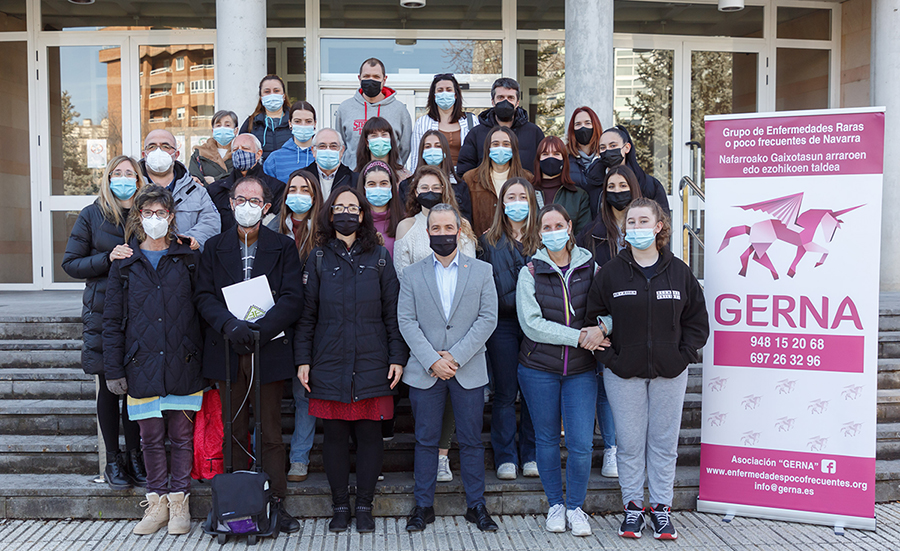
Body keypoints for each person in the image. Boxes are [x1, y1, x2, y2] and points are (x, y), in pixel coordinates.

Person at [585, 197, 709, 541]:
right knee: (629, 442)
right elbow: (593, 321)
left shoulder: (679, 271)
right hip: (624, 372)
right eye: (631, 222)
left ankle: (661, 508)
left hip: (671, 371)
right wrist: (611, 359)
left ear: (658, 227)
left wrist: (682, 355)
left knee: (664, 441)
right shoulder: (610, 272)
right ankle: (632, 508)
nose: (636, 228)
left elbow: (697, 322)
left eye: (643, 221)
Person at [193, 176, 305, 534]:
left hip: (267, 347)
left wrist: (263, 328)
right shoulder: (213, 247)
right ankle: (235, 504)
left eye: (254, 200)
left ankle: (274, 504)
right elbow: (203, 296)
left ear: (266, 207)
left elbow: (292, 297)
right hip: (226, 348)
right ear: (230, 203)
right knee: (234, 429)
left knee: (270, 429)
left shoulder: (283, 246)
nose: (246, 205)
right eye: (240, 199)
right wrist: (229, 325)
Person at [295, 186, 408, 533]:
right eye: (339, 207)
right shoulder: (317, 258)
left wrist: (397, 357)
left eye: (353, 207)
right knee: (334, 436)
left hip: (373, 358)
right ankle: (340, 504)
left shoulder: (379, 257)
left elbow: (394, 311)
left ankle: (364, 505)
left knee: (370, 434)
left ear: (362, 215)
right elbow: (307, 314)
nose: (346, 213)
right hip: (328, 359)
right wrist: (303, 358)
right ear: (331, 215)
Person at [102, 185, 205, 536]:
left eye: (161, 213)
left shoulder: (187, 256)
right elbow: (112, 320)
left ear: (171, 216)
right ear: (139, 218)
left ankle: (179, 504)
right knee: (149, 437)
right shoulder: (125, 262)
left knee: (180, 434)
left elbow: (202, 308)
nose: (155, 219)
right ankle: (156, 502)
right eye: (148, 213)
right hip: (140, 361)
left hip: (183, 359)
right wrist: (114, 368)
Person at [398, 203, 499, 533]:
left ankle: (477, 506)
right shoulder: (412, 274)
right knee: (426, 440)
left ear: (459, 231)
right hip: (426, 370)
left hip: (466, 369)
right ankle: (423, 507)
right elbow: (406, 321)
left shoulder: (482, 271)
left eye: (448, 228)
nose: (442, 234)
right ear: (427, 233)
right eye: (436, 229)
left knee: (471, 441)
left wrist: (453, 357)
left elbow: (488, 318)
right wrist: (433, 360)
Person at [516, 204, 607, 537]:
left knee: (582, 443)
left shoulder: (591, 267)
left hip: (582, 371)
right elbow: (532, 325)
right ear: (539, 233)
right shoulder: (530, 271)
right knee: (547, 439)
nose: (553, 231)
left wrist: (603, 329)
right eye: (546, 227)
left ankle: (576, 508)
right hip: (539, 368)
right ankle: (555, 504)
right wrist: (580, 337)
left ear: (570, 226)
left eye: (559, 224)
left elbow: (607, 310)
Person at [62, 155, 148, 491]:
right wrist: (106, 258)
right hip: (102, 312)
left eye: (130, 173)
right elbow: (71, 263)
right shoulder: (92, 215)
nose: (124, 178)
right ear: (107, 178)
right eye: (118, 173)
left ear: (139, 179)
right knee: (109, 389)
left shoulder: (146, 214)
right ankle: (113, 460)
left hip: (141, 312)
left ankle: (136, 457)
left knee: (136, 392)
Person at [394, 166, 477, 481]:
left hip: (456, 325)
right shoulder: (405, 227)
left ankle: (443, 456)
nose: (429, 190)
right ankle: (428, 457)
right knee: (425, 395)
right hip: (417, 321)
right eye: (422, 185)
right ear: (414, 192)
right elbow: (402, 274)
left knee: (453, 388)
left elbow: (467, 275)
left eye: (435, 185)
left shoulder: (462, 225)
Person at [575, 165, 643, 480]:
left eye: (622, 184)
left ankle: (627, 448)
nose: (617, 190)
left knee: (632, 388)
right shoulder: (591, 233)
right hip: (602, 320)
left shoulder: (646, 229)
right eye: (611, 185)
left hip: (638, 318)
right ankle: (611, 449)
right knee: (604, 387)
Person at [477, 177, 540, 481]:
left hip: (538, 327)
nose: (516, 202)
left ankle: (530, 454)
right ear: (501, 203)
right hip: (501, 325)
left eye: (522, 196)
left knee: (531, 391)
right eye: (510, 196)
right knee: (504, 391)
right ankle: (505, 457)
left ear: (532, 201)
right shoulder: (488, 241)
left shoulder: (543, 238)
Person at [267, 169, 323, 483]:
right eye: (293, 188)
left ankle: (299, 458)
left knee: (304, 393)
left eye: (305, 189)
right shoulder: (270, 227)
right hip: (275, 317)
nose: (298, 194)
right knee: (274, 392)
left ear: (314, 196)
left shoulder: (324, 232)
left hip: (310, 321)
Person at [139, 129, 219, 250]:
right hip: (140, 263)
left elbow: (211, 223)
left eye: (165, 146)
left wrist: (185, 242)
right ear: (144, 155)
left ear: (176, 155)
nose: (159, 151)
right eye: (152, 146)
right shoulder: (133, 188)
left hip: (185, 263)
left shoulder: (196, 190)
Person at [456, 77, 545, 178]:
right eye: (500, 97)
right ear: (493, 102)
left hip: (523, 191)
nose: (505, 102)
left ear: (517, 103)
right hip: (485, 191)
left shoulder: (533, 133)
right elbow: (465, 170)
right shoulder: (476, 133)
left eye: (510, 98)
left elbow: (542, 167)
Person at [335, 58, 412, 169]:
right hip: (353, 177)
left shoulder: (399, 110)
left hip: (389, 177)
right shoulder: (345, 108)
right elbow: (341, 145)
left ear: (384, 80)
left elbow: (405, 148)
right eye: (366, 76)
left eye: (376, 77)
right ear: (359, 78)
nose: (371, 80)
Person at [207, 133, 285, 232]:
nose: (239, 152)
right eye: (235, 150)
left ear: (258, 154)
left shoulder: (276, 188)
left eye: (245, 148)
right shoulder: (216, 190)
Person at [463, 126, 533, 235]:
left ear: (513, 148)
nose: (501, 148)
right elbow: (464, 217)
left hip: (518, 244)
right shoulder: (471, 178)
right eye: (495, 144)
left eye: (506, 144)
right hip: (480, 246)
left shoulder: (527, 178)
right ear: (488, 148)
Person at [399, 130, 473, 224]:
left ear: (445, 151)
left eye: (438, 146)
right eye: (428, 146)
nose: (432, 150)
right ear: (422, 152)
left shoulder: (460, 186)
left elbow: (466, 221)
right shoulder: (406, 186)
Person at [408, 73, 475, 172]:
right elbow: (416, 158)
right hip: (433, 179)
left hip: (463, 180)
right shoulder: (422, 123)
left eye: (448, 90)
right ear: (434, 96)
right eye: (440, 90)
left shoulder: (471, 120)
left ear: (456, 95)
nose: (444, 93)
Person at [598, 125, 670, 214]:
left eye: (613, 145)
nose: (607, 150)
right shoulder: (593, 182)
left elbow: (663, 220)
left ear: (627, 147)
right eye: (602, 148)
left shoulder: (648, 184)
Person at [531, 136, 592, 234]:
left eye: (556, 154)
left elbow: (583, 236)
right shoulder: (526, 193)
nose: (551, 158)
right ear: (538, 159)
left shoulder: (579, 196)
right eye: (545, 154)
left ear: (564, 159)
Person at [239, 75, 292, 160]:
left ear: (284, 96)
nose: (272, 95)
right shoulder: (251, 123)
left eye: (276, 91)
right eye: (267, 91)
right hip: (259, 172)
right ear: (261, 97)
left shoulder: (295, 121)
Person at [264, 101, 317, 184]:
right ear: (290, 124)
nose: (303, 125)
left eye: (308, 121)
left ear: (315, 124)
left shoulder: (322, 156)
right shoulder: (275, 159)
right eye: (297, 121)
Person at [566, 107, 605, 217]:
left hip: (602, 221)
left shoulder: (605, 158)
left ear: (595, 125)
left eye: (587, 123)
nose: (583, 128)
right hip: (575, 221)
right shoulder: (565, 159)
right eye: (578, 124)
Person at [358, 161, 403, 256]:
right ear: (364, 188)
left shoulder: (404, 221)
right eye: (371, 184)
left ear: (391, 187)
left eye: (383, 183)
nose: (378, 188)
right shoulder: (355, 221)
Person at [301, 128, 355, 198]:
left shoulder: (354, 180)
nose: (328, 150)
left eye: (333, 146)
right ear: (313, 151)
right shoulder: (301, 178)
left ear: (342, 151)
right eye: (322, 146)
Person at [354, 117, 411, 182]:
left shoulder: (405, 177)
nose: (380, 139)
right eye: (374, 135)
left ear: (390, 139)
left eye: (384, 134)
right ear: (367, 142)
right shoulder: (355, 177)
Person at [189, 110, 237, 185]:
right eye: (218, 125)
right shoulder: (200, 154)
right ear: (213, 131)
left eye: (227, 125)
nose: (222, 129)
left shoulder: (241, 152)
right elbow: (196, 181)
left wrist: (215, 180)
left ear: (236, 130)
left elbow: (242, 177)